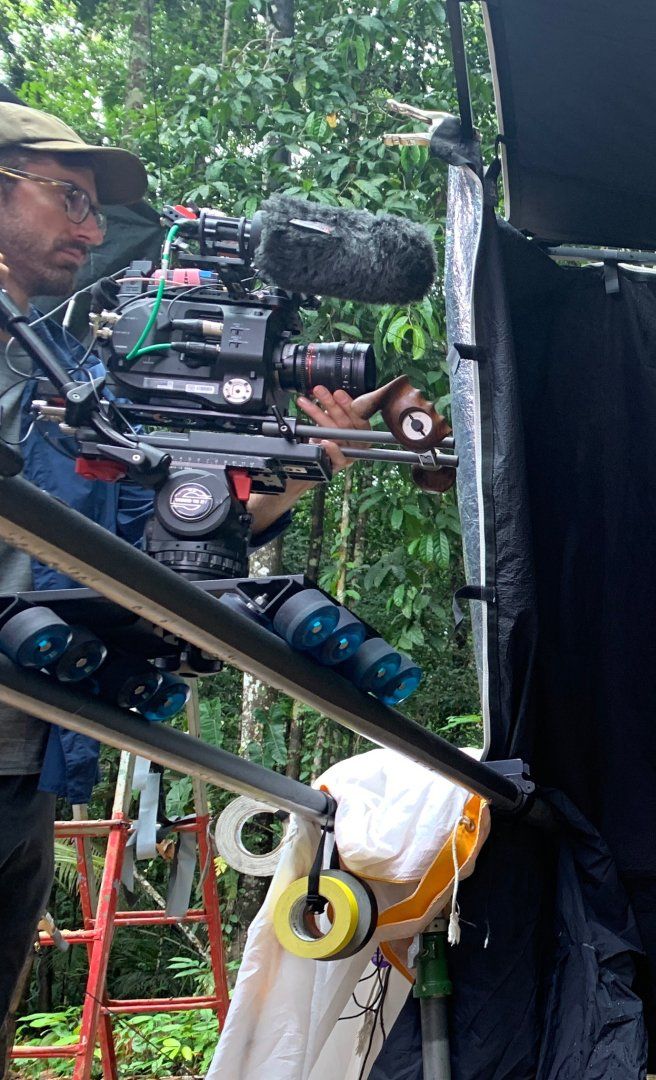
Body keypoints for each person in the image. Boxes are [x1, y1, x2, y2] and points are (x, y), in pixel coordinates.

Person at [0, 101, 376, 1068]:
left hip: (25, 761)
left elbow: (139, 543)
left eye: (95, 210)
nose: (88, 230)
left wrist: (298, 465)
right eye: (70, 199)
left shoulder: (67, 370)